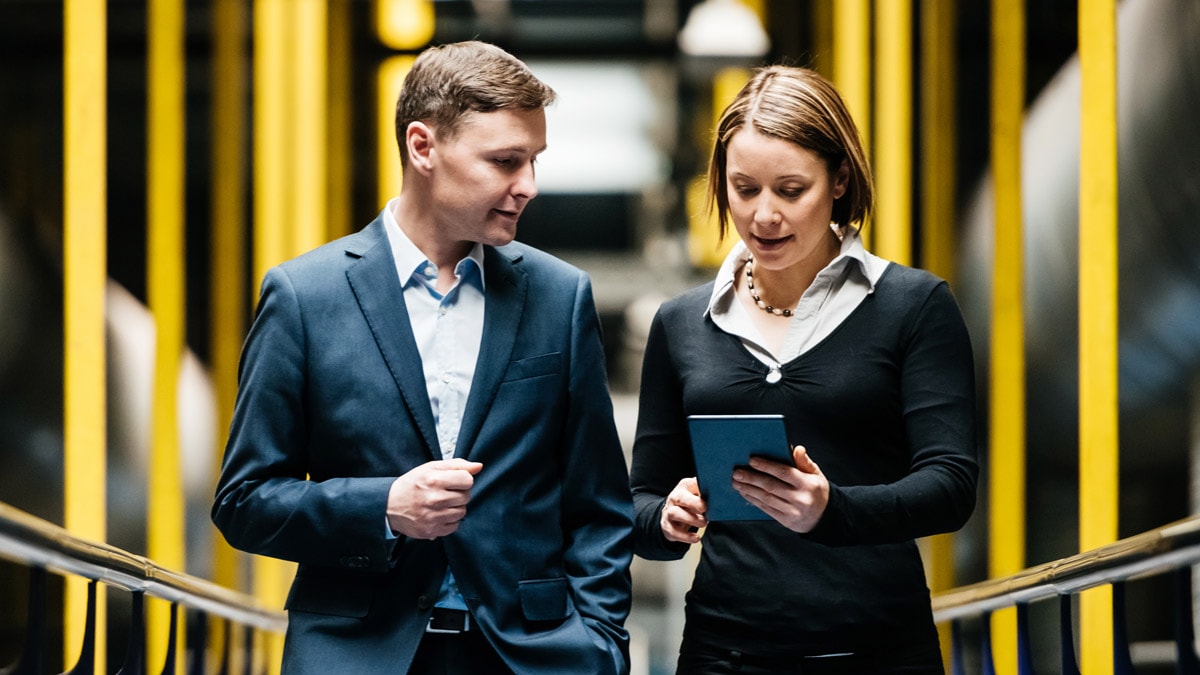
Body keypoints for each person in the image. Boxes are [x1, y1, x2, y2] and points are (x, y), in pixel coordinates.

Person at [212, 41, 634, 675]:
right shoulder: (305, 296)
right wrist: (382, 507)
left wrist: (601, 642)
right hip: (357, 654)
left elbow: (599, 503)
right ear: (423, 146)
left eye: (534, 161)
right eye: (505, 161)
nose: (529, 186)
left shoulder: (559, 296)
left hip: (529, 656)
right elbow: (244, 501)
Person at [630, 65, 978, 674]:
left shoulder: (913, 306)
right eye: (744, 189)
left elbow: (950, 486)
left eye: (791, 190)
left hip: (880, 654)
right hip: (723, 656)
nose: (764, 215)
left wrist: (831, 510)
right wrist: (667, 518)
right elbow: (639, 501)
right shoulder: (681, 323)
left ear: (839, 178)